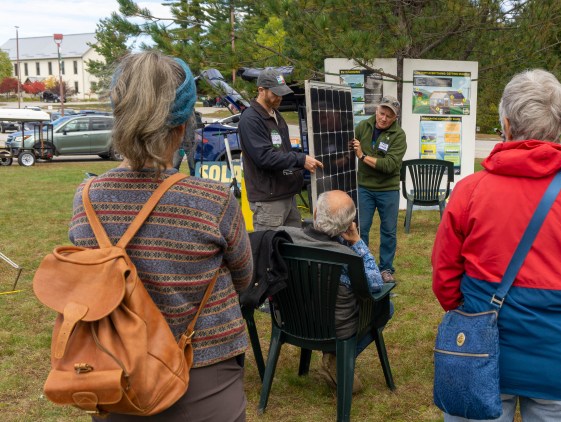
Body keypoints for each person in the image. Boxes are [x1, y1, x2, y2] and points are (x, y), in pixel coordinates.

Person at [431, 69, 561, 422]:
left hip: (480, 351)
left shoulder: (470, 192)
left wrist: (474, 317)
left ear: (505, 124)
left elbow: (445, 280)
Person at [69, 52, 254, 421]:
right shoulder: (212, 199)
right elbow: (245, 279)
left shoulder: (87, 197)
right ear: (183, 126)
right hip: (205, 372)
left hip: (116, 373)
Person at [280, 190, 392, 394]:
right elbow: (376, 285)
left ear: (315, 213)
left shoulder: (286, 240)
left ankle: (334, 358)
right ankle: (338, 357)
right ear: (349, 226)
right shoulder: (347, 258)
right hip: (335, 328)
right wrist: (357, 242)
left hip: (294, 320)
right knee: (387, 306)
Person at [238, 68, 323, 231]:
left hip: (287, 195)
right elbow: (264, 157)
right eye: (275, 93)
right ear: (261, 90)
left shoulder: (276, 114)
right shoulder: (250, 119)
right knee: (270, 252)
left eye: (282, 92)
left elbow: (283, 151)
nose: (280, 97)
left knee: (293, 249)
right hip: (268, 201)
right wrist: (301, 159)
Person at [349, 96, 407, 283]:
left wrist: (362, 156)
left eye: (389, 116)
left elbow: (389, 165)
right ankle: (363, 265)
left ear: (395, 118)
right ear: (376, 110)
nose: (384, 118)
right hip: (364, 187)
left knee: (388, 231)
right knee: (361, 228)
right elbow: (348, 147)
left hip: (388, 189)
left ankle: (386, 269)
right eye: (382, 113)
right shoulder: (362, 127)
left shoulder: (399, 135)